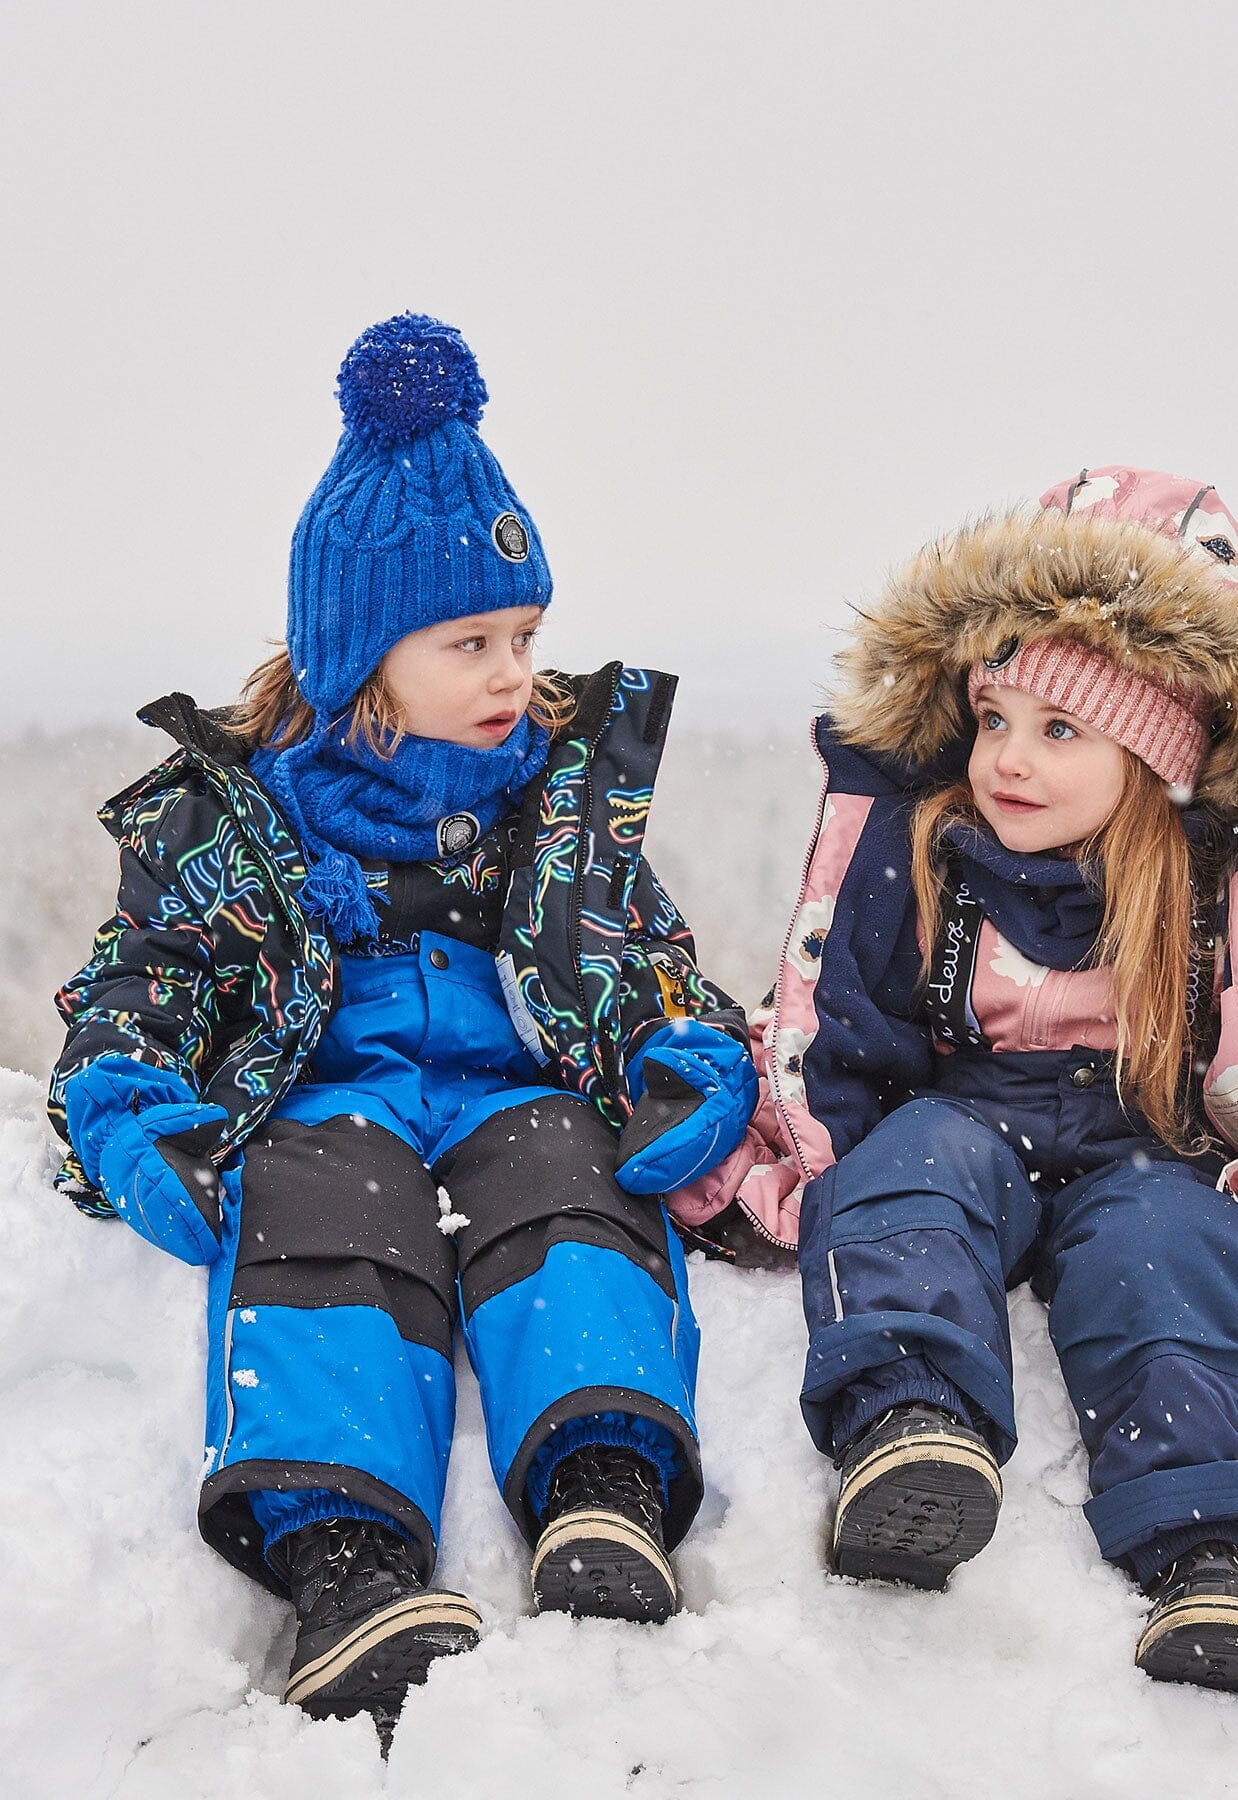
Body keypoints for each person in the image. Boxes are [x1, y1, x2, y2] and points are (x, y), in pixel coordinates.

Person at [48, 313, 756, 1738]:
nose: (514, 672)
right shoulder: (235, 819)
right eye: (472, 640)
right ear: (360, 654)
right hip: (331, 1098)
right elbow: (142, 983)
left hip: (512, 1088)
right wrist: (135, 1117)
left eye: (526, 636)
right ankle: (345, 1561)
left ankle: (599, 1488)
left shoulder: (556, 804)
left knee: (574, 1181)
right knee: (327, 1209)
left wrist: (688, 1056)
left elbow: (651, 961)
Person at [680, 466, 1238, 1698]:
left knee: (1179, 1256)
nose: (1008, 761)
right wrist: (768, 1122)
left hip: (1149, 1142)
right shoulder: (930, 854)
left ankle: (1206, 1546)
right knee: (901, 1180)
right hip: (966, 1112)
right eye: (994, 720)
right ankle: (911, 1425)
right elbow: (835, 1026)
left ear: (1155, 755)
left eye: (1060, 729)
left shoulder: (1228, 900)